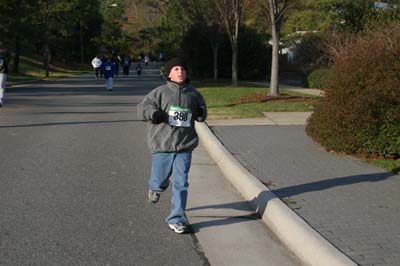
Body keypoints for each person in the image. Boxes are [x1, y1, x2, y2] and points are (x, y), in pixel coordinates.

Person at [137, 57, 207, 234]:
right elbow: (142, 108)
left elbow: (202, 112)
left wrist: (200, 113)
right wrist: (154, 114)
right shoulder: (159, 93)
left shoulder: (194, 94)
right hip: (162, 144)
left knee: (181, 182)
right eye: (176, 69)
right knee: (161, 179)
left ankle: (176, 218)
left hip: (185, 145)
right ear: (169, 73)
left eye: (182, 69)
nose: (180, 72)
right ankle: (155, 188)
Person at [0, 42, 11, 107]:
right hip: (3, 71)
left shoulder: (5, 51)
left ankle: (0, 101)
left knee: (1, 86)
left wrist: (6, 62)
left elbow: (9, 56)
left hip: (2, 71)